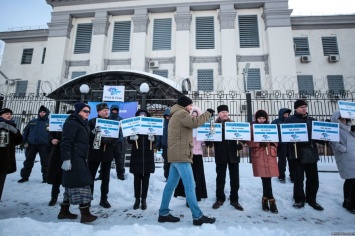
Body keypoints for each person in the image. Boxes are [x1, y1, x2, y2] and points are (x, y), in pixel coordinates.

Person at [158, 95, 216, 226]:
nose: (191, 108)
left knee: (170, 185)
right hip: (181, 155)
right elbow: (195, 123)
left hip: (176, 154)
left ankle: (163, 213)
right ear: (185, 105)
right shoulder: (181, 114)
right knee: (190, 185)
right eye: (190, 105)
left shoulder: (175, 114)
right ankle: (197, 216)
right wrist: (208, 114)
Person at [60, 102, 97, 223]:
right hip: (74, 158)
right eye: (85, 111)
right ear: (78, 111)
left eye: (89, 112)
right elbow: (66, 142)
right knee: (83, 184)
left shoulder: (82, 123)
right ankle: (85, 214)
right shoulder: (72, 123)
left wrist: (93, 133)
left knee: (71, 185)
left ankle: (64, 211)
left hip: (80, 157)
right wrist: (66, 159)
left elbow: (84, 140)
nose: (87, 113)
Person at [284, 99, 324, 211]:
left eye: (305, 107)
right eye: (301, 107)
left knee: (313, 178)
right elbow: (285, 136)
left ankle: (312, 199)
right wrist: (292, 141)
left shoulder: (311, 120)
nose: (304, 109)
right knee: (298, 178)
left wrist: (325, 140)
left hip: (310, 153)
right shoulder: (289, 120)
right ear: (296, 108)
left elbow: (316, 135)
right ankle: (299, 199)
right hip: (297, 153)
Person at [205, 105, 244, 211]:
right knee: (220, 179)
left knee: (235, 179)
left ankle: (234, 199)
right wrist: (208, 142)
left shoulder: (234, 124)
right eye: (222, 112)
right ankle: (220, 198)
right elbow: (210, 139)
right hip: (220, 155)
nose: (225, 114)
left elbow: (242, 136)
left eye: (226, 112)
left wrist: (240, 144)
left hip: (233, 156)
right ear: (218, 114)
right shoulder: (214, 125)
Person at [246, 110, 279, 213]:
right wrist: (259, 144)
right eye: (260, 118)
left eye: (263, 118)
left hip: (269, 154)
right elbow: (248, 141)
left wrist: (273, 144)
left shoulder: (271, 127)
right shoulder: (252, 128)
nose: (261, 120)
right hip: (259, 154)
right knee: (265, 178)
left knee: (267, 178)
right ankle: (271, 200)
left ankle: (266, 199)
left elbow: (276, 140)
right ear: (256, 119)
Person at [174, 106, 208, 205]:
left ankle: (197, 196)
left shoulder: (202, 128)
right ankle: (188, 198)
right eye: (192, 115)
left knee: (197, 176)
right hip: (187, 154)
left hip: (198, 154)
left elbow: (205, 140)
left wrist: (208, 140)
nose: (194, 117)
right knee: (188, 177)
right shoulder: (186, 127)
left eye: (196, 115)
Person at [88, 103, 117, 208]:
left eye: (107, 110)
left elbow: (116, 135)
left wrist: (110, 140)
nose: (106, 112)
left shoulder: (112, 122)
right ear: (99, 112)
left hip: (107, 153)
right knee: (90, 176)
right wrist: (95, 135)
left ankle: (104, 199)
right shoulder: (92, 122)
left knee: (106, 178)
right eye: (104, 110)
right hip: (94, 153)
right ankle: (88, 198)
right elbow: (87, 136)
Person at [127, 109, 156, 210]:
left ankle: (144, 199)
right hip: (137, 156)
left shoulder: (150, 126)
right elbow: (128, 140)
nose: (142, 116)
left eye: (144, 115)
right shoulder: (134, 126)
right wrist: (131, 138)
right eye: (140, 115)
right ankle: (137, 199)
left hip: (148, 156)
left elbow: (155, 139)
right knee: (136, 180)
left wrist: (153, 138)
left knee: (146, 180)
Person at [47, 110, 75, 206]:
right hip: (58, 152)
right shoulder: (57, 125)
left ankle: (68, 197)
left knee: (69, 176)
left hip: (70, 152)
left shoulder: (75, 125)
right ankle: (54, 196)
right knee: (56, 175)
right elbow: (50, 134)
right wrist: (52, 139)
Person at [330, 110, 355, 214]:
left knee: (352, 180)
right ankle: (349, 203)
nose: (344, 120)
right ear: (337, 118)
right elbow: (334, 143)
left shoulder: (349, 128)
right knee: (351, 180)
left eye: (346, 118)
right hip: (345, 157)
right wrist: (345, 149)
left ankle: (349, 201)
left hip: (352, 156)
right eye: (342, 118)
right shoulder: (335, 128)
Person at [18, 105, 51, 183]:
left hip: (44, 145)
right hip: (32, 144)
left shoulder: (50, 122)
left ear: (47, 113)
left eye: (43, 112)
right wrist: (23, 141)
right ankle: (24, 177)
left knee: (46, 162)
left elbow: (53, 134)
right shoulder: (33, 121)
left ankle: (46, 178)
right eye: (40, 112)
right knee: (28, 161)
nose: (41, 113)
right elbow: (26, 132)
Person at [0, 108, 23, 201]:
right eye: (6, 114)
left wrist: (15, 131)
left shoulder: (11, 126)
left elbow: (19, 141)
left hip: (5, 160)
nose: (9, 115)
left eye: (10, 114)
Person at [271, 108, 294, 183]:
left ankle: (293, 176)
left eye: (287, 114)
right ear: (281, 114)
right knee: (282, 161)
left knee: (292, 161)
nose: (286, 116)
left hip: (291, 144)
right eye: (285, 114)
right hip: (281, 145)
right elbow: (272, 133)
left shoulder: (291, 121)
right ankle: (281, 176)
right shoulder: (275, 122)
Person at [109, 104, 125, 180]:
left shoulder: (121, 120)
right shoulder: (107, 119)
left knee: (119, 159)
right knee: (106, 159)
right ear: (111, 110)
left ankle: (120, 174)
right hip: (108, 142)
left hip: (118, 142)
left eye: (116, 110)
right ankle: (102, 173)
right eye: (113, 110)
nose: (114, 111)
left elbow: (124, 130)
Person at [156, 108, 170, 180]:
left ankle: (171, 177)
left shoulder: (173, 124)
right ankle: (167, 176)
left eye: (169, 116)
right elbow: (159, 135)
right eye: (166, 116)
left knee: (172, 163)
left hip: (172, 146)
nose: (167, 117)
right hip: (165, 146)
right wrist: (158, 145)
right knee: (166, 163)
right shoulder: (162, 124)